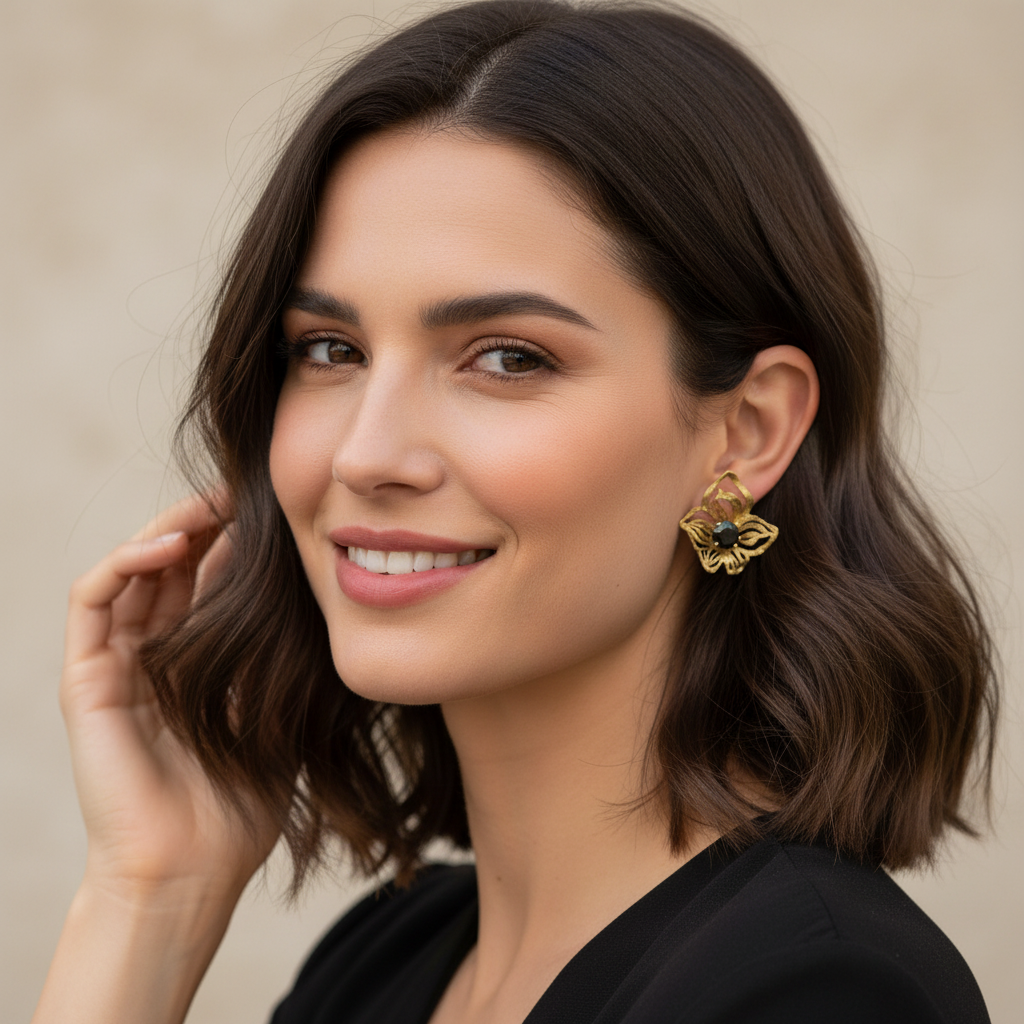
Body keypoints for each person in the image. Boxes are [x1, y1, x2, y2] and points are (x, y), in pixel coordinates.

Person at [32, 1, 998, 1021]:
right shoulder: (381, 960)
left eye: (507, 357)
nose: (366, 453)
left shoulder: (816, 993)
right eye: (330, 350)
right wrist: (150, 895)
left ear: (745, 432)